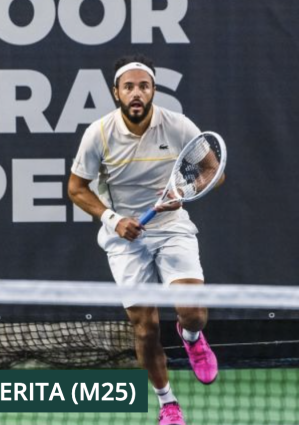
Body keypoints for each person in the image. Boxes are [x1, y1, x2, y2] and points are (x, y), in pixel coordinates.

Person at [67, 54, 221, 425]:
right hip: (125, 238)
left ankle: (190, 335)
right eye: (129, 87)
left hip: (171, 226)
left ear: (153, 90)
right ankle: (168, 403)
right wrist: (112, 218)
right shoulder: (99, 134)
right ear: (116, 93)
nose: (136, 93)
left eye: (144, 86)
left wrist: (184, 192)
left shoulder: (178, 126)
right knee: (145, 328)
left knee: (194, 313)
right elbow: (76, 188)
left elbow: (212, 170)